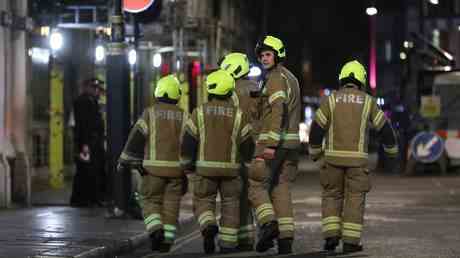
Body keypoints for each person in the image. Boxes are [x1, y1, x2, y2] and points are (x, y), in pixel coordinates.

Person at [308, 60, 398, 254]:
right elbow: (385, 130)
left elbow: (316, 128)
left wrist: (315, 152)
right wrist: (392, 153)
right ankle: (350, 242)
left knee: (331, 195)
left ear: (342, 79)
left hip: (332, 160)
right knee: (354, 200)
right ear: (361, 80)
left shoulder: (331, 100)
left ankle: (331, 237)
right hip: (357, 163)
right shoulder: (368, 101)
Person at [181, 70, 254, 254]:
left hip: (205, 170)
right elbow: (247, 146)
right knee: (231, 205)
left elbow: (188, 142)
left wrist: (187, 165)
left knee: (203, 201)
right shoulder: (239, 115)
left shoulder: (198, 113)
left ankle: (208, 225)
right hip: (231, 171)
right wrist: (247, 161)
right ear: (230, 91)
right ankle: (227, 245)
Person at [117, 75, 187, 253]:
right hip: (176, 171)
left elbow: (136, 138)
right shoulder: (184, 116)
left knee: (149, 200)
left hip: (152, 170)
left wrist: (125, 160)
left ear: (158, 92)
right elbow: (191, 143)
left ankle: (156, 230)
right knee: (172, 206)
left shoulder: (149, 113)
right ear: (177, 94)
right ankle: (167, 242)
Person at [248, 35, 301, 254]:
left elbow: (279, 109)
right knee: (281, 190)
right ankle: (286, 240)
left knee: (256, 185)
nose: (264, 59)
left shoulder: (276, 78)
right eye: (261, 55)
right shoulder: (292, 78)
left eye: (268, 54)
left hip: (274, 143)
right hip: (290, 146)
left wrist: (270, 143)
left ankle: (268, 225)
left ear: (278, 55)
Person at [218, 52, 259, 251]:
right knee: (250, 196)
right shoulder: (258, 88)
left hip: (237, 148)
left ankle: (230, 240)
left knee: (233, 197)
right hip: (259, 147)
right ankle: (247, 238)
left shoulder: (230, 91)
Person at [70, 78, 106, 207]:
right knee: (85, 170)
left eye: (97, 88)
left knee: (94, 169)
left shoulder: (93, 101)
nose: (96, 90)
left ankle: (93, 197)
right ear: (86, 87)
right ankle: (81, 199)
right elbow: (83, 125)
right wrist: (84, 144)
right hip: (86, 143)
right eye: (93, 88)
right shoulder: (81, 102)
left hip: (94, 142)